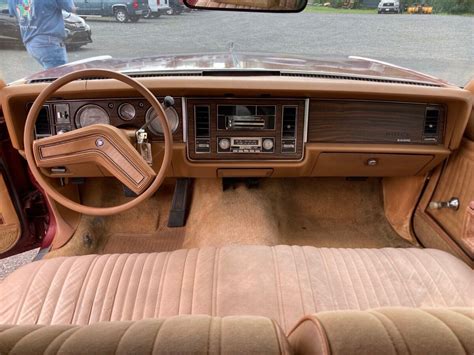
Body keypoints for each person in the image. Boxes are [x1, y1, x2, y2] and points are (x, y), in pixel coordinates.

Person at [8, 0, 75, 69]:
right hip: (49, 43)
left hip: (30, 42)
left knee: (52, 74)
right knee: (61, 75)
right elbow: (71, 8)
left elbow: (15, 14)